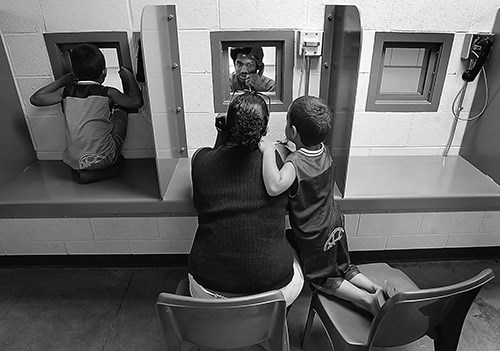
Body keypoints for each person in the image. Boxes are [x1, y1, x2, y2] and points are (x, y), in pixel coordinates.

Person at [259, 96, 385, 316]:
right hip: (334, 221)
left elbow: (274, 186)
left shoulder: (295, 163)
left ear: (293, 131)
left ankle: (367, 300)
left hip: (314, 233)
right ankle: (375, 288)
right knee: (343, 266)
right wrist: (292, 146)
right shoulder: (324, 150)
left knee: (323, 278)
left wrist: (269, 150)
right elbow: (308, 155)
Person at [188, 92, 303, 307]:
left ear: (227, 127)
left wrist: (223, 133)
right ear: (265, 129)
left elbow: (215, 156)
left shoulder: (199, 160)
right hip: (274, 294)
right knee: (295, 256)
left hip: (208, 292)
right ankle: (271, 324)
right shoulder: (280, 158)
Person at [30, 43, 143, 184]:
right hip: (103, 159)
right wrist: (130, 77)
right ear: (104, 73)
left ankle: (84, 172)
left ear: (74, 73)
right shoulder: (108, 92)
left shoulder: (65, 92)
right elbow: (136, 102)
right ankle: (97, 173)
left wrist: (61, 81)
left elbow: (36, 98)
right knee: (120, 111)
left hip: (74, 161)